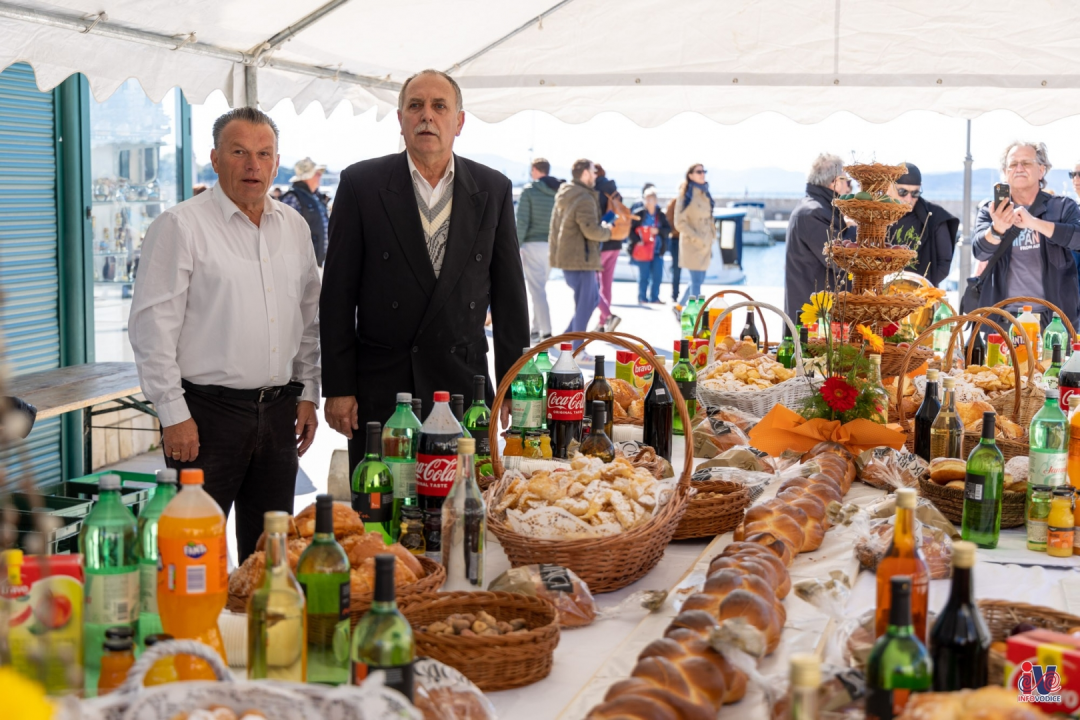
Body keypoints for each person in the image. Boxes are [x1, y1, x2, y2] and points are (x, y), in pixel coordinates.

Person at [129, 107, 321, 562]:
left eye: (263, 153)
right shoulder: (180, 226)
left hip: (278, 414)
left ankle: (259, 632)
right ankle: (196, 635)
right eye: (239, 152)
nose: (253, 165)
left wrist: (309, 392)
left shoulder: (294, 226)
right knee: (195, 556)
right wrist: (173, 413)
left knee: (270, 555)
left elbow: (309, 319)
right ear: (215, 159)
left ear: (277, 162)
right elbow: (151, 328)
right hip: (204, 418)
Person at [320, 69, 529, 470]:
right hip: (382, 384)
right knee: (383, 508)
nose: (426, 116)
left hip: (464, 385)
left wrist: (513, 385)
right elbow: (337, 297)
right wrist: (340, 387)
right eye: (415, 106)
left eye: (439, 106)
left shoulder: (493, 188)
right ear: (400, 119)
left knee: (460, 508)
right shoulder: (361, 183)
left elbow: (509, 297)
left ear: (459, 121)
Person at [972, 141, 1080, 327]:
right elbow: (980, 252)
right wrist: (997, 229)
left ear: (1041, 170)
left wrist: (1034, 223)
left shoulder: (1062, 207)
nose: (1019, 168)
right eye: (1013, 164)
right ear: (1005, 173)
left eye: (1026, 163)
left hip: (1054, 321)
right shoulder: (991, 211)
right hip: (1003, 319)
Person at [549, 158, 613, 346]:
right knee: (586, 304)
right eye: (593, 171)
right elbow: (590, 230)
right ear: (585, 173)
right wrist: (607, 230)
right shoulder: (584, 197)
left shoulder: (567, 193)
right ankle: (576, 349)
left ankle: (564, 342)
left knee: (591, 300)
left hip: (569, 257)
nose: (595, 175)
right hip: (581, 258)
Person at [783, 154, 851, 322]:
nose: (850, 189)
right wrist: (856, 228)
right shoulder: (814, 213)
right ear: (835, 182)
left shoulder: (813, 209)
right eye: (848, 182)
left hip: (817, 317)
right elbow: (840, 259)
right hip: (813, 322)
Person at [886, 163, 959, 286]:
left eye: (915, 193)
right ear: (889, 188)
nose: (909, 199)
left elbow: (944, 263)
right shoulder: (876, 216)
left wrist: (919, 289)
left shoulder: (935, 217)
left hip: (921, 296)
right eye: (902, 192)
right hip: (883, 295)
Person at [516, 158, 561, 342]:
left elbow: (522, 222)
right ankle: (535, 330)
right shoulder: (557, 191)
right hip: (552, 247)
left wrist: (515, 246)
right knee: (540, 289)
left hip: (532, 245)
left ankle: (547, 332)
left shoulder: (529, 191)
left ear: (535, 170)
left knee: (537, 291)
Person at [674, 163, 716, 308]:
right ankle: (697, 318)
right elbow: (679, 222)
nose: (702, 174)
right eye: (699, 171)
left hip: (706, 244)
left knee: (697, 280)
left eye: (704, 171)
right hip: (692, 245)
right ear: (690, 175)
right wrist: (697, 238)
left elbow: (710, 218)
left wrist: (712, 237)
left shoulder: (705, 193)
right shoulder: (685, 195)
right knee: (697, 283)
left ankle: (679, 306)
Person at [280, 157, 331, 267]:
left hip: (316, 263)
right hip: (303, 266)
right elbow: (286, 235)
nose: (320, 176)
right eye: (317, 173)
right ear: (308, 176)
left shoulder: (315, 197)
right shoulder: (293, 198)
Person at [592, 164, 623, 332]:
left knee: (593, 285)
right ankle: (602, 323)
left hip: (602, 242)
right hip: (616, 242)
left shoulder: (596, 192)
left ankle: (608, 316)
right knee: (606, 284)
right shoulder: (614, 191)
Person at [628, 187, 671, 304]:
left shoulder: (661, 215)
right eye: (646, 199)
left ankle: (654, 298)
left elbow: (668, 230)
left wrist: (658, 231)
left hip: (657, 250)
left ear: (655, 200)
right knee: (644, 276)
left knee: (657, 276)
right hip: (643, 250)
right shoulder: (639, 214)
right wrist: (637, 240)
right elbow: (630, 230)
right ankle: (642, 298)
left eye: (650, 199)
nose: (648, 202)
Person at [664, 193, 682, 303]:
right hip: (676, 239)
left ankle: (692, 294)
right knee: (676, 268)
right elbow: (669, 220)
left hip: (690, 240)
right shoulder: (674, 202)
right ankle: (675, 294)